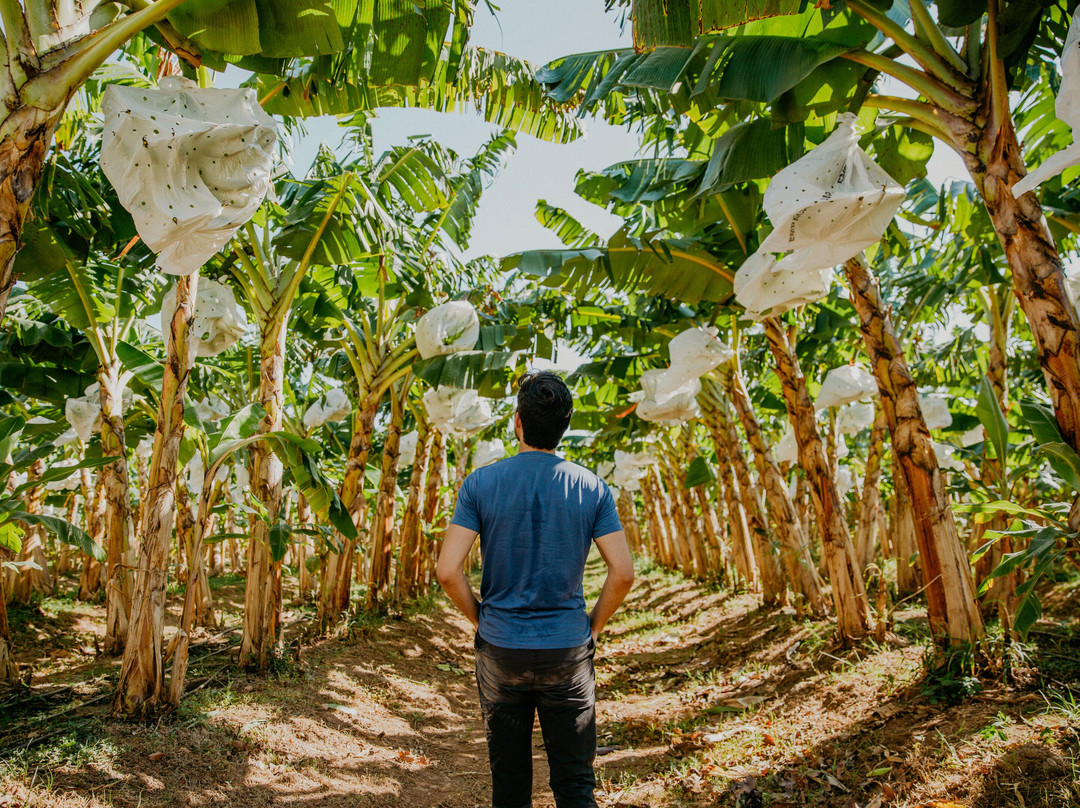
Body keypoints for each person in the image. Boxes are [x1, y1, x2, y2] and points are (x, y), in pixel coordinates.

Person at [436, 370, 635, 808]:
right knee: (575, 784)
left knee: (509, 784)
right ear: (563, 427)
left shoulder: (480, 484)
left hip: (500, 649)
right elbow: (622, 573)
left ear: (517, 422)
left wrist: (482, 620)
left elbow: (448, 571)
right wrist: (593, 628)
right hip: (567, 650)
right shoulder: (592, 488)